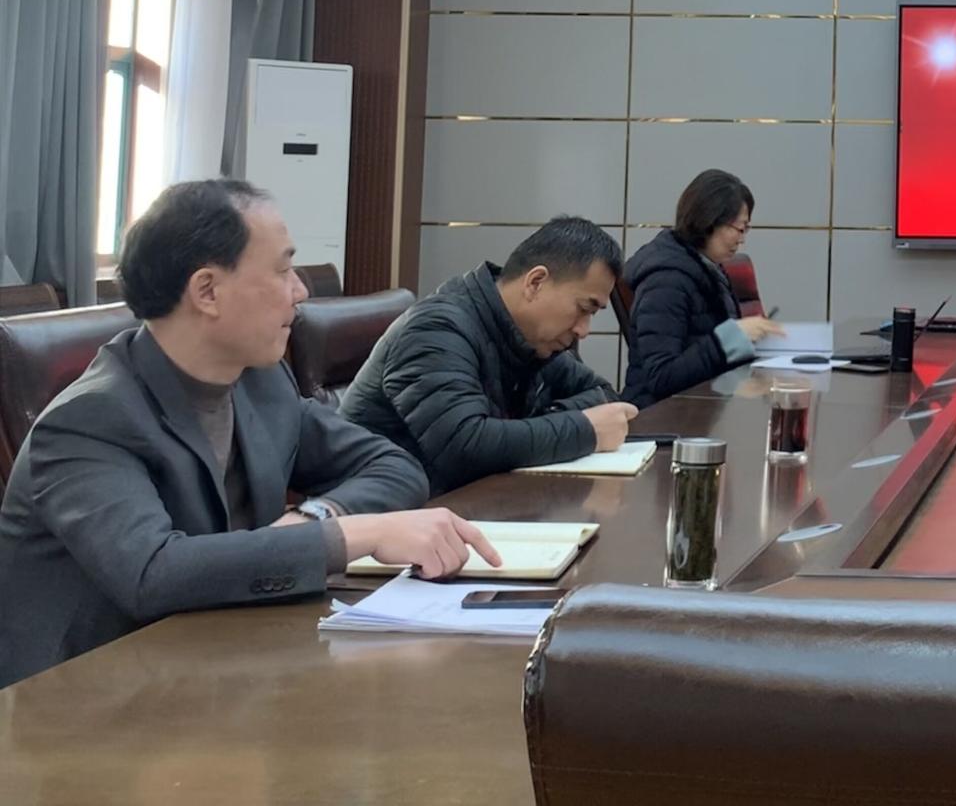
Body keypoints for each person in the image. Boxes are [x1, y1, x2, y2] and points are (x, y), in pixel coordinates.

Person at [0, 180, 498, 689]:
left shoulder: (260, 382)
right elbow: (152, 574)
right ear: (207, 291)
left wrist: (314, 516)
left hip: (212, 667)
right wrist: (355, 534)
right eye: (282, 271)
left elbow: (393, 466)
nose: (301, 291)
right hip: (82, 700)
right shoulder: (89, 419)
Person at [342, 217, 638, 492]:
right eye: (583, 309)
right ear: (535, 282)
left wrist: (547, 421)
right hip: (382, 510)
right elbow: (464, 446)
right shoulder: (436, 329)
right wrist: (583, 430)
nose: (584, 330)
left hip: (465, 504)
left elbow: (603, 395)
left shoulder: (534, 339)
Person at [622, 169, 785, 406]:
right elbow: (662, 378)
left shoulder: (709, 268)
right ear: (709, 221)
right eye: (740, 229)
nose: (742, 239)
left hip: (704, 406)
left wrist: (753, 342)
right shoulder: (666, 281)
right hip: (661, 417)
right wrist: (728, 339)